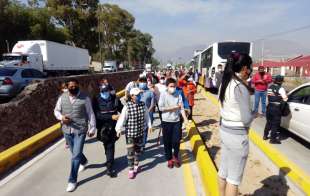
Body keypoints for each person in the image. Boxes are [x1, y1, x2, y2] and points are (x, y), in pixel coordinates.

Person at [218, 53, 256, 196]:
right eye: (250, 68)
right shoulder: (240, 87)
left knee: (223, 172)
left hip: (225, 131)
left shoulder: (225, 82)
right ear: (245, 68)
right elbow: (246, 119)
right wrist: (254, 115)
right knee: (233, 180)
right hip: (237, 137)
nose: (251, 71)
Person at [54, 79, 96, 192]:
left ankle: (72, 180)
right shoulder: (62, 98)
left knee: (75, 155)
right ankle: (84, 161)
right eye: (71, 86)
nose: (73, 88)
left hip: (80, 130)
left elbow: (90, 113)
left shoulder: (85, 98)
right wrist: (61, 117)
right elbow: (56, 111)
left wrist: (92, 128)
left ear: (78, 86)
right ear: (67, 87)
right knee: (74, 152)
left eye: (75, 86)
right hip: (67, 130)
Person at [115, 88, 152, 179]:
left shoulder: (143, 105)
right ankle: (131, 169)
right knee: (130, 152)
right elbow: (122, 118)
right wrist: (118, 129)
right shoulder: (127, 106)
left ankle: (136, 165)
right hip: (130, 134)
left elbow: (147, 116)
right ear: (132, 96)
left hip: (140, 132)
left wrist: (150, 126)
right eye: (137, 95)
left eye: (139, 94)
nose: (139, 96)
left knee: (138, 150)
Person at [93, 79, 123, 178]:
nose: (105, 93)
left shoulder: (115, 98)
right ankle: (109, 158)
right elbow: (96, 115)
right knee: (107, 144)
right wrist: (110, 116)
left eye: (106, 91)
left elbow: (122, 110)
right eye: (103, 91)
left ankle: (109, 167)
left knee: (110, 145)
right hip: (102, 127)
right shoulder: (96, 99)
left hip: (113, 127)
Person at [158, 78, 188, 168]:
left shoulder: (178, 94)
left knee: (176, 141)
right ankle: (169, 159)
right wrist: (173, 108)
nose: (173, 88)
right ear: (167, 87)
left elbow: (181, 108)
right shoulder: (163, 94)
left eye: (174, 86)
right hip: (166, 121)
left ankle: (175, 156)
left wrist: (185, 119)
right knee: (167, 142)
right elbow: (161, 108)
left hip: (176, 121)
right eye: (171, 86)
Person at [263, 75, 288, 144]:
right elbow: (285, 99)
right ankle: (273, 139)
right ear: (281, 82)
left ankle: (265, 136)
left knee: (268, 122)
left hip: (269, 106)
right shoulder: (281, 89)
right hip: (276, 108)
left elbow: (268, 97)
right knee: (275, 124)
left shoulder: (270, 87)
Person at [138, 77, 155, 147]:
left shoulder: (150, 92)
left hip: (148, 112)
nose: (142, 83)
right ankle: (139, 141)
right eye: (140, 82)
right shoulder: (136, 92)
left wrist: (148, 111)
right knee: (139, 129)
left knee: (145, 129)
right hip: (138, 113)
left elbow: (152, 103)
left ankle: (143, 144)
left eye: (143, 82)